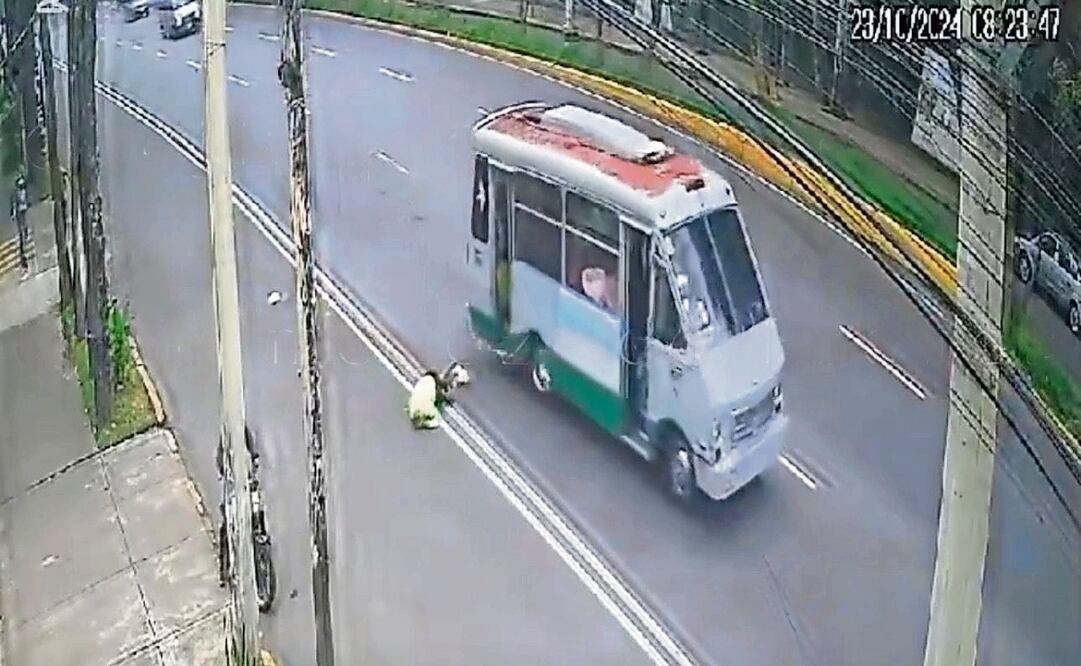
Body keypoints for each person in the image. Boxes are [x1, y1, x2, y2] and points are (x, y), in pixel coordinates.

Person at [12, 176, 29, 274]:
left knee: (25, 230)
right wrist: (14, 214)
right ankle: (23, 257)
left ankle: (25, 238)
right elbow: (15, 204)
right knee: (22, 233)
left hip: (24, 212)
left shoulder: (25, 192)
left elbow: (26, 200)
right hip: (20, 213)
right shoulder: (16, 194)